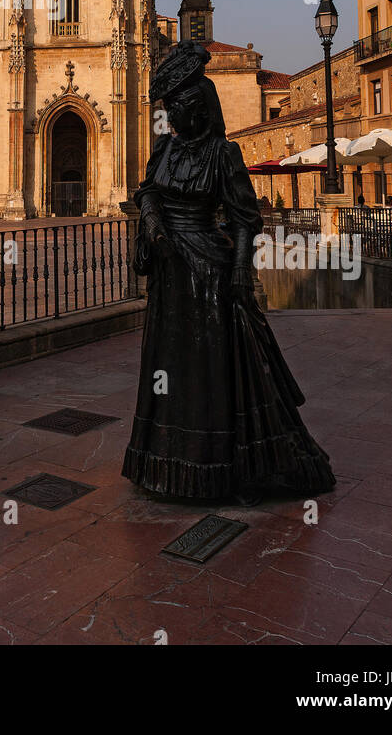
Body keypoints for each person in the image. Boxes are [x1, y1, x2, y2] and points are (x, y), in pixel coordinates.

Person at [122, 40, 335, 505]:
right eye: (169, 109)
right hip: (171, 276)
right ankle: (165, 464)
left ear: (199, 109)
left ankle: (218, 468)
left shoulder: (224, 155)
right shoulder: (166, 151)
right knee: (171, 364)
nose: (171, 116)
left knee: (210, 369)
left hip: (209, 273)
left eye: (178, 108)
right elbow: (146, 191)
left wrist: (240, 268)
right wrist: (153, 217)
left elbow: (245, 217)